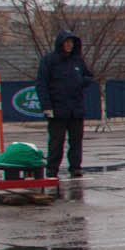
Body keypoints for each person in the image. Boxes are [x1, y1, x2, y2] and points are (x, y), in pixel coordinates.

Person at [35, 29, 96, 177]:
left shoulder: (77, 60)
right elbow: (41, 84)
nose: (69, 45)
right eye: (67, 42)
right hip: (57, 109)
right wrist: (46, 106)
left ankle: (75, 167)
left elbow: (89, 76)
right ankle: (52, 168)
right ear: (60, 43)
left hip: (76, 109)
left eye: (71, 42)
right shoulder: (49, 61)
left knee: (76, 140)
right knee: (56, 141)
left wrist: (81, 81)